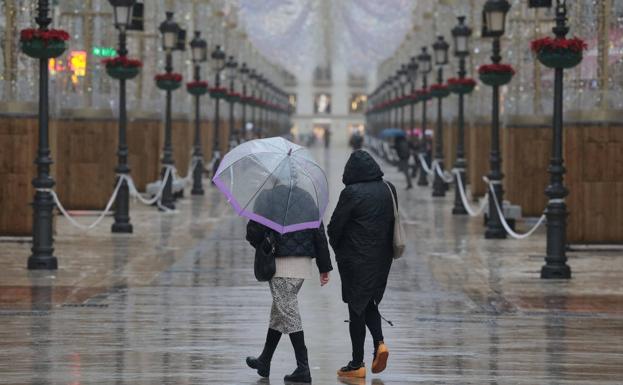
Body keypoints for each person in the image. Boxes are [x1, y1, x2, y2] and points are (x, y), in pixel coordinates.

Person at [245, 184, 333, 384]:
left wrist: (262, 239)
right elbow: (318, 231)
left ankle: (303, 368)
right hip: (302, 266)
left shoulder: (267, 198)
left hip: (280, 265)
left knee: (288, 313)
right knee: (280, 312)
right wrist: (324, 266)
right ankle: (264, 361)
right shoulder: (308, 198)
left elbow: (253, 233)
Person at [328, 150, 396, 379]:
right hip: (382, 259)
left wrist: (339, 249)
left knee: (357, 308)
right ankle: (379, 344)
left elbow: (334, 227)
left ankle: (357, 364)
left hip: (356, 259)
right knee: (368, 302)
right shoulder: (389, 189)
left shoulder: (352, 193)